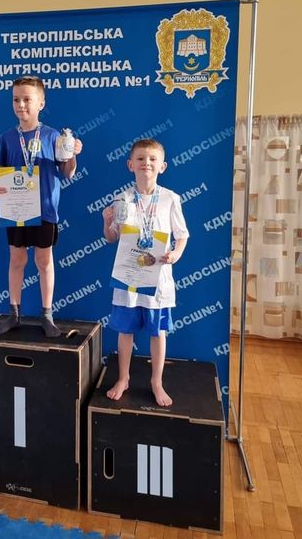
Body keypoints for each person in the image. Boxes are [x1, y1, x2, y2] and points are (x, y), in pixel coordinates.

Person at [0, 76, 82, 337]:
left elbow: (67, 172)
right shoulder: (7, 138)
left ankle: (47, 315)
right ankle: (14, 314)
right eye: (16, 99)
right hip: (16, 209)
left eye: (27, 99)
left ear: (41, 103)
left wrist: (72, 154)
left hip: (45, 210)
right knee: (17, 260)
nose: (21, 104)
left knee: (44, 261)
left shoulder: (54, 136)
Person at [102, 139, 189, 406]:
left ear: (162, 166)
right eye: (140, 159)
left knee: (157, 331)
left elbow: (182, 235)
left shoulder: (170, 198)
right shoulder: (123, 198)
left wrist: (175, 254)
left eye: (152, 159)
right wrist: (107, 222)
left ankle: (156, 382)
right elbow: (112, 238)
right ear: (130, 165)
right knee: (124, 330)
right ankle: (123, 378)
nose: (146, 163)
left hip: (157, 278)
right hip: (128, 277)